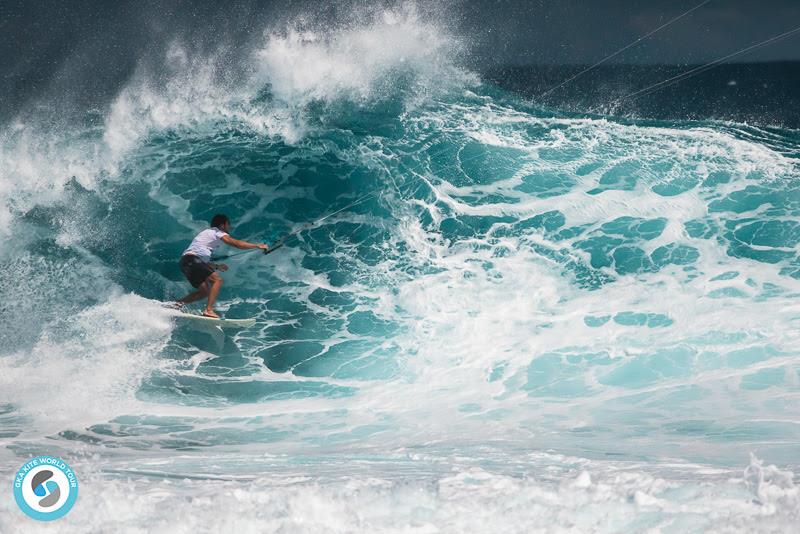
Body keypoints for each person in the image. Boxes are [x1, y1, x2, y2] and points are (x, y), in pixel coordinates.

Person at [176, 214, 268, 318]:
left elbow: (200, 261)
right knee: (217, 280)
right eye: (228, 224)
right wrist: (257, 245)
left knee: (204, 292)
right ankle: (209, 310)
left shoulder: (206, 234)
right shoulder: (217, 232)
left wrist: (217, 266)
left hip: (186, 262)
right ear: (222, 225)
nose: (229, 227)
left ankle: (176, 304)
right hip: (192, 260)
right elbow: (235, 243)